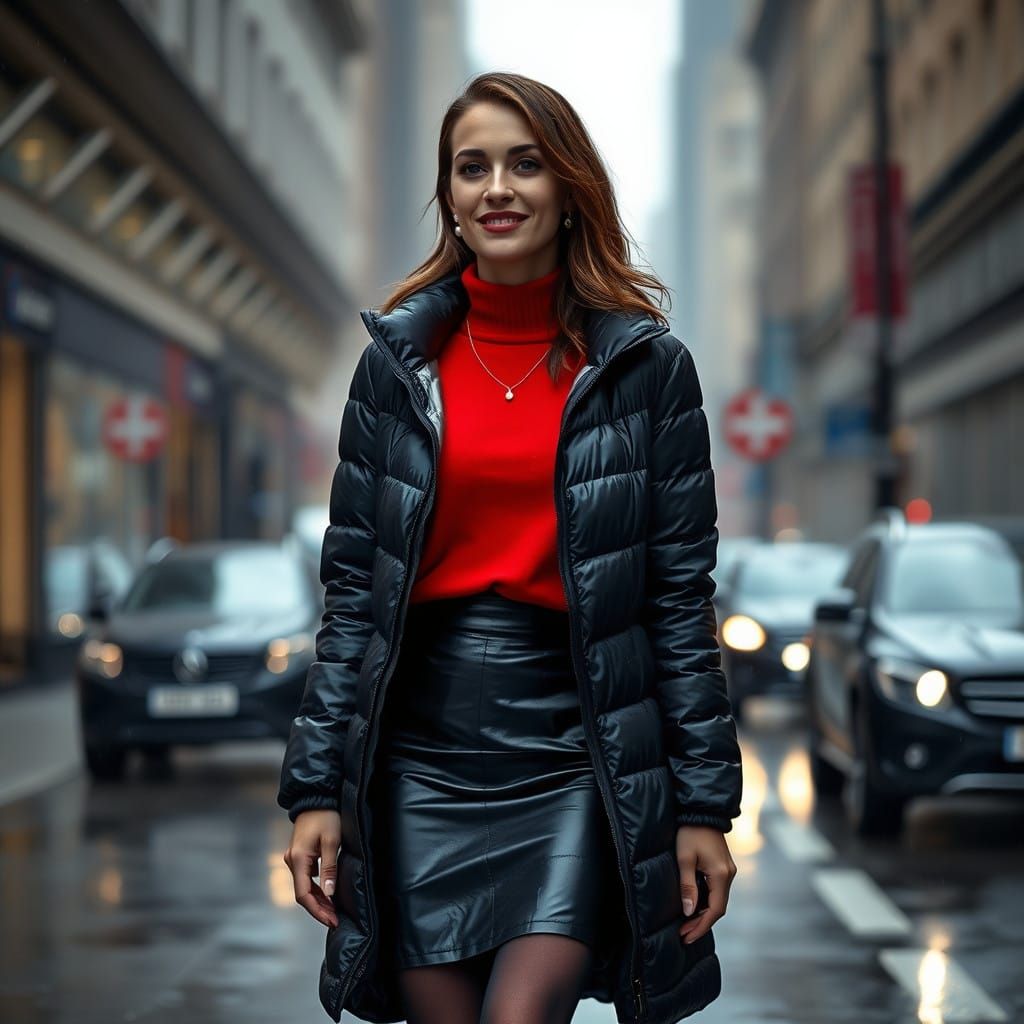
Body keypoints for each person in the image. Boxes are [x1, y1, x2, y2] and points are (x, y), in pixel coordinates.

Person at [279, 71, 742, 1024]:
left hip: (577, 747)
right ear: (448, 196)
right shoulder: (393, 371)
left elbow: (678, 606)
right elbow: (353, 602)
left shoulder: (648, 371)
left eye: (525, 164)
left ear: (570, 187)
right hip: (420, 754)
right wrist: (316, 790)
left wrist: (703, 807)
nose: (498, 187)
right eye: (472, 166)